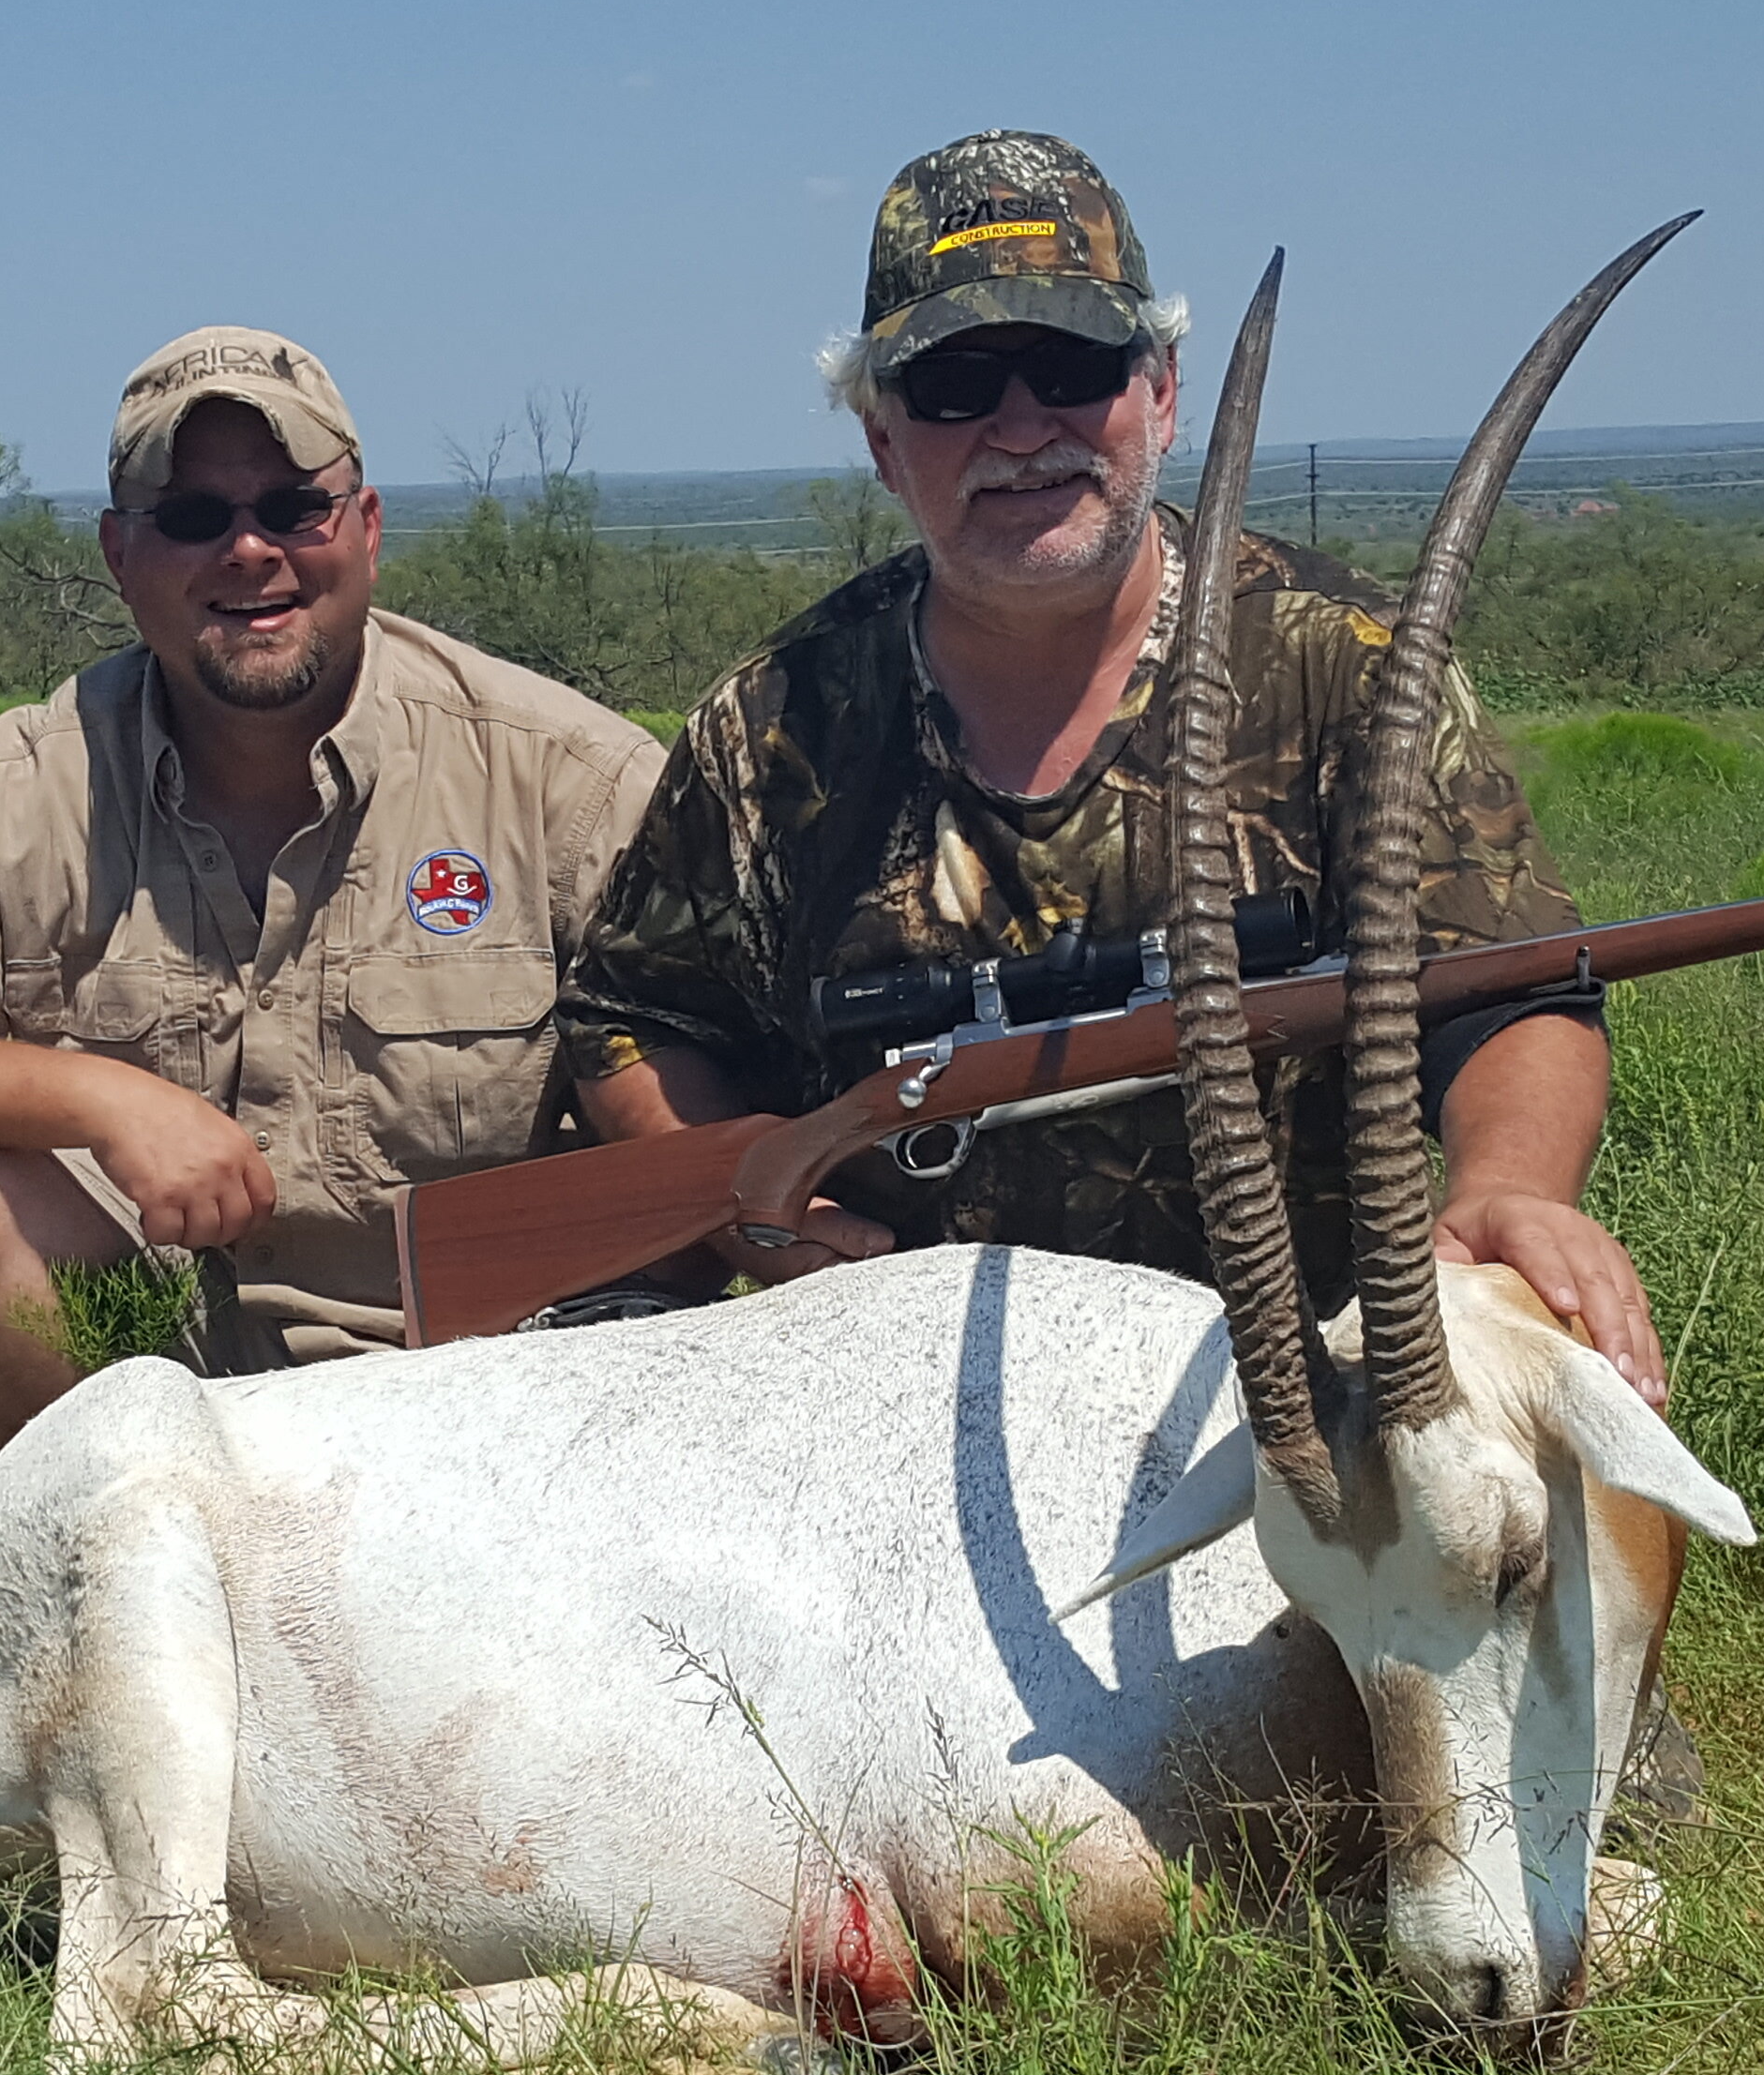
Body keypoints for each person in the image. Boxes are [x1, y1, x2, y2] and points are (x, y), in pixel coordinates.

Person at [560, 130, 1665, 1399]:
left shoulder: (1349, 666)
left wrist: (1510, 1195)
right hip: (897, 1423)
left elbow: (1511, 988)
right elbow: (635, 1021)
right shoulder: (772, 727)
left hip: (1297, 1414)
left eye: (1072, 363)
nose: (1023, 427)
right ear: (879, 438)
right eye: (954, 384)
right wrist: (741, 1194)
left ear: (1162, 391)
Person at [0, 326, 665, 1464]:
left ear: (364, 531)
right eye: (192, 518)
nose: (247, 551)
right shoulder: (18, 792)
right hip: (166, 1415)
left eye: (291, 508)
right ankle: (101, 1590)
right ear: (121, 556)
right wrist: (104, 1102)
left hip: (495, 1387)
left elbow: (708, 1103)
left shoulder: (568, 780)